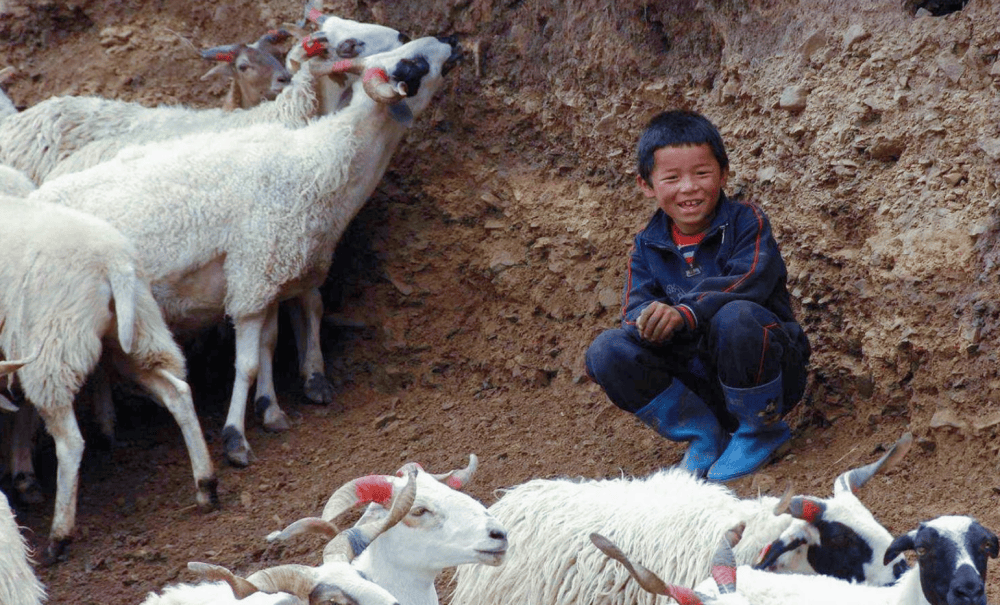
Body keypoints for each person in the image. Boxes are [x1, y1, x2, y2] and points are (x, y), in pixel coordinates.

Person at [585, 109, 810, 482]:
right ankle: (704, 433)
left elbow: (749, 279)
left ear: (723, 174)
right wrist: (650, 319)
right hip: (700, 382)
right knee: (606, 350)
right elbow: (633, 310)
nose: (688, 187)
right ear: (647, 185)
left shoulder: (747, 221)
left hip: (766, 376)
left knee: (736, 315)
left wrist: (685, 313)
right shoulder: (647, 245)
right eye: (672, 178)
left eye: (702, 174)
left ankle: (759, 431)